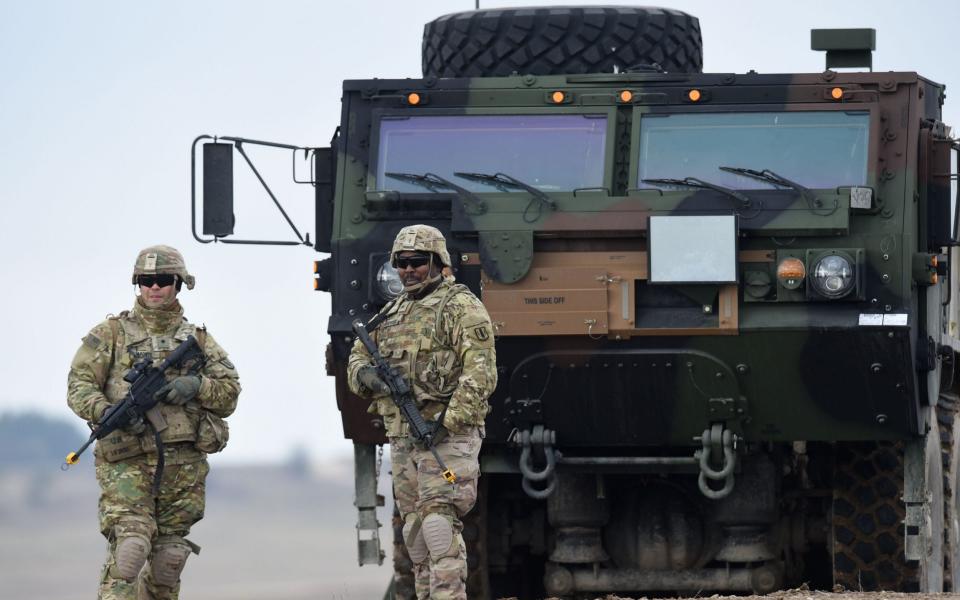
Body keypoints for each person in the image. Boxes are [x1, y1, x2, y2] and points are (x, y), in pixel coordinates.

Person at [67, 245, 240, 600]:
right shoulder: (110, 334)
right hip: (126, 463)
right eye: (146, 281)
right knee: (130, 548)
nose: (154, 288)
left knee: (169, 560)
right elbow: (78, 385)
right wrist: (104, 412)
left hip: (183, 466)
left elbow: (230, 394)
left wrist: (197, 386)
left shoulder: (198, 341)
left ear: (179, 284)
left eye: (163, 280)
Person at [348, 225, 498, 599]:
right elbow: (356, 359)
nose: (408, 270)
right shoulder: (392, 312)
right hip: (403, 439)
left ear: (438, 262)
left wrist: (445, 424)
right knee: (414, 535)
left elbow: (481, 373)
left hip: (446, 438)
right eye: (401, 262)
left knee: (438, 527)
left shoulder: (460, 306)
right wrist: (370, 378)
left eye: (417, 261)